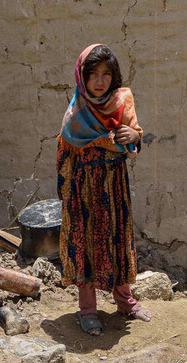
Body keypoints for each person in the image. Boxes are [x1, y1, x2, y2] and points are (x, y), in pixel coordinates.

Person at [56, 43, 151, 336]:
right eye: (93, 73)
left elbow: (134, 139)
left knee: (118, 239)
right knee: (85, 243)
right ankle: (88, 310)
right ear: (82, 76)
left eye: (106, 74)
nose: (100, 80)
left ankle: (125, 302)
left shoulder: (123, 100)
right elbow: (64, 152)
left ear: (115, 76)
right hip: (83, 188)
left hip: (115, 184)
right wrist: (68, 193)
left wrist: (134, 135)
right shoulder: (76, 112)